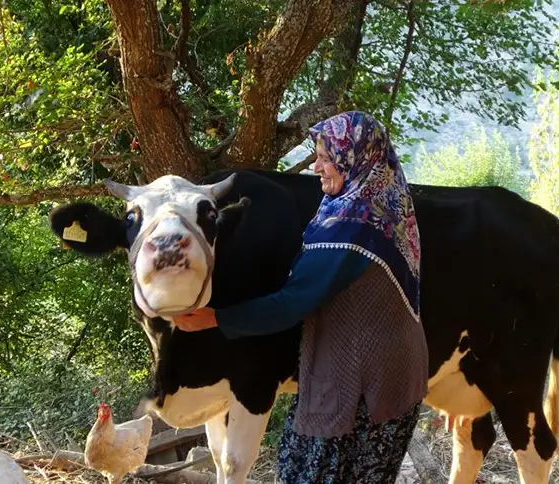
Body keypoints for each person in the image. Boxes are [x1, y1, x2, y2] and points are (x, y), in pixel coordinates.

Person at [176, 111, 428, 483]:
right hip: (391, 369)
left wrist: (216, 318)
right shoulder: (383, 204)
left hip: (363, 382)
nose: (317, 168)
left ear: (354, 158)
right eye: (316, 157)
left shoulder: (353, 225)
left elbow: (292, 303)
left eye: (326, 158)